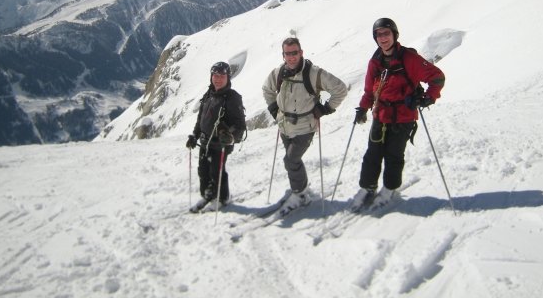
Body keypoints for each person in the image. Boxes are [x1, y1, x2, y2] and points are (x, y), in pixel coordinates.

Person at [352, 17, 445, 210]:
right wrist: (363, 108)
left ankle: (389, 189)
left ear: (394, 35)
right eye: (379, 34)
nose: (383, 38)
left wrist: (429, 97)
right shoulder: (375, 61)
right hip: (381, 114)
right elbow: (369, 91)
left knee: (394, 155)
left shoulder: (409, 59)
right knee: (373, 154)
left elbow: (437, 77)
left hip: (403, 116)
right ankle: (367, 187)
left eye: (386, 33)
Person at [262, 37, 347, 212]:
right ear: (283, 55)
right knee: (293, 160)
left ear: (301, 53)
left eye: (295, 53)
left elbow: (340, 89)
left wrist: (325, 109)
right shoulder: (278, 72)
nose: (291, 57)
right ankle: (301, 187)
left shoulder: (313, 73)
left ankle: (300, 194)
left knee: (291, 160)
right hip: (284, 125)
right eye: (288, 53)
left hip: (305, 127)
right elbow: (267, 89)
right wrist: (274, 110)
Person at [186, 61, 247, 213]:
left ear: (228, 77)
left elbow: (240, 125)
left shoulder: (232, 98)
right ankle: (208, 195)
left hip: (220, 144)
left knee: (216, 171)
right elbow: (201, 118)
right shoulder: (209, 94)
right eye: (215, 75)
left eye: (221, 76)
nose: (218, 79)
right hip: (205, 141)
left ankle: (221, 198)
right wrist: (195, 135)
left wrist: (230, 136)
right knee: (203, 171)